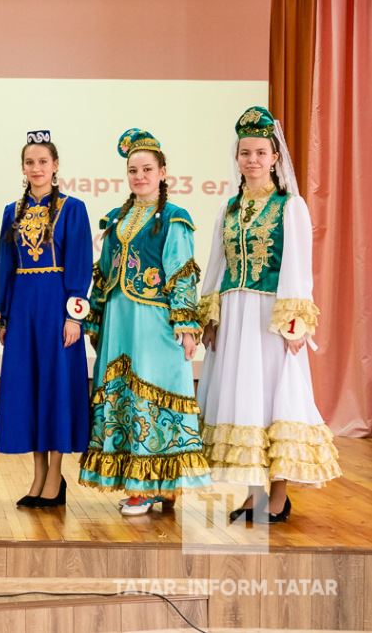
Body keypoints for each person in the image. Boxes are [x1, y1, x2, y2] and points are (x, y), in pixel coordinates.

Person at [198, 106, 340, 524]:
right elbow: (217, 264)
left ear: (275, 157)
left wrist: (294, 321)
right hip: (235, 315)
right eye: (246, 153)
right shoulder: (228, 208)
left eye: (261, 152)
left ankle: (278, 497)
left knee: (273, 399)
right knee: (243, 401)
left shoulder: (289, 206)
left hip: (269, 317)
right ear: (237, 157)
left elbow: (297, 266)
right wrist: (210, 314)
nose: (253, 160)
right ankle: (253, 495)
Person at [79, 129, 211, 516]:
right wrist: (95, 317)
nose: (139, 176)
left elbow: (181, 272)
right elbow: (104, 271)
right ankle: (147, 484)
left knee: (153, 391)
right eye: (133, 171)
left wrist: (186, 327)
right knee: (124, 394)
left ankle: (152, 486)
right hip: (120, 320)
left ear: (163, 172)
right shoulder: (117, 218)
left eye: (147, 169)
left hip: (154, 321)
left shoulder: (174, 218)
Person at [0, 131, 92, 509]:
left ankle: (56, 475)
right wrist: (5, 315)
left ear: (55, 166)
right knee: (30, 387)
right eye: (30, 162)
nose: (36, 168)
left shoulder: (73, 208)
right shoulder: (11, 212)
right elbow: (6, 266)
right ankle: (37, 475)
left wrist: (74, 317)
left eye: (43, 162)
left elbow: (80, 265)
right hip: (23, 308)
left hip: (56, 308)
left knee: (57, 386)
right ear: (23, 167)